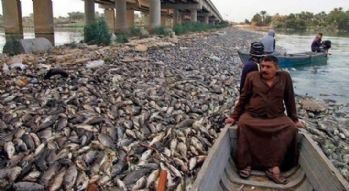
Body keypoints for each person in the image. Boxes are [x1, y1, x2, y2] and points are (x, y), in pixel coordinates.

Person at [225, 55, 304, 184]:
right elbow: (243, 98)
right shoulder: (252, 76)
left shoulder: (285, 77)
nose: (264, 69)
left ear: (276, 68)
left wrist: (294, 119)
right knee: (243, 125)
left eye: (268, 67)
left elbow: (290, 99)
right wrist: (234, 117)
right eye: (262, 66)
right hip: (253, 115)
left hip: (276, 116)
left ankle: (274, 167)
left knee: (290, 128)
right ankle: (246, 164)